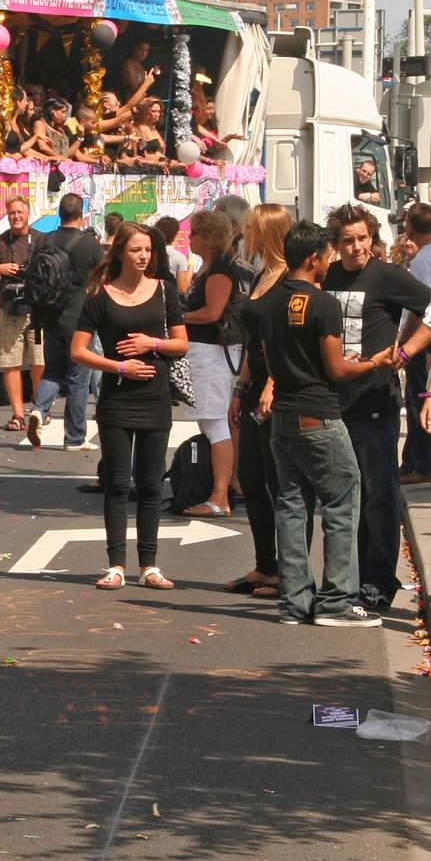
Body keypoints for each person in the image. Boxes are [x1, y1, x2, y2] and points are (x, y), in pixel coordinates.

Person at [262, 221, 394, 627]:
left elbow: (273, 357)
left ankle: (294, 601)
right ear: (312, 259)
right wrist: (374, 361)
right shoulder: (324, 304)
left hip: (283, 414)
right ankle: (337, 600)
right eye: (327, 255)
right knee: (342, 499)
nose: (331, 261)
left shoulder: (269, 301)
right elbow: (336, 369)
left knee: (291, 505)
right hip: (319, 413)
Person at [321, 203, 431, 610]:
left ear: (372, 238)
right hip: (333, 403)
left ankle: (378, 580)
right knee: (340, 497)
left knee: (378, 495)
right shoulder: (328, 276)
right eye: (348, 241)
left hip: (375, 402)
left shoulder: (387, 276)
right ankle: (343, 577)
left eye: (362, 239)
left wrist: (406, 353)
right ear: (335, 244)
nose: (356, 248)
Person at [73, 223, 189, 590]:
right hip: (117, 399)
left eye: (149, 250)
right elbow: (77, 351)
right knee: (118, 484)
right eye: (137, 250)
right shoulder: (100, 296)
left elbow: (182, 344)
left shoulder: (165, 291)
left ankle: (150, 565)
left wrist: (151, 343)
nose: (144, 256)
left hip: (155, 398)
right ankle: (116, 565)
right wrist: (119, 365)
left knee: (151, 484)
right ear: (120, 252)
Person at [229, 204, 295, 600]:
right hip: (254, 387)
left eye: (251, 228)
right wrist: (240, 389)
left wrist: (271, 382)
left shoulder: (288, 278)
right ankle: (265, 565)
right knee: (251, 477)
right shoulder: (260, 274)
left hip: (280, 390)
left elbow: (283, 341)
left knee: (279, 481)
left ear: (267, 232)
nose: (244, 234)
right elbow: (252, 342)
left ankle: (289, 571)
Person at [176, 211, 246, 517]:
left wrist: (176, 318)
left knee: (215, 422)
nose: (190, 239)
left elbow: (212, 312)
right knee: (218, 421)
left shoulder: (219, 269)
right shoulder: (211, 266)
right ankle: (231, 485)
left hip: (212, 352)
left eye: (194, 234)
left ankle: (220, 496)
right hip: (208, 352)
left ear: (209, 237)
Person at [27, 194, 106, 451]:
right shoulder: (90, 244)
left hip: (48, 316)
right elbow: (103, 279)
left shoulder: (44, 240)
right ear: (81, 214)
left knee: (52, 371)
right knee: (77, 380)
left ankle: (39, 409)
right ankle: (74, 438)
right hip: (79, 319)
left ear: (59, 213)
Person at [0, 197, 40, 431]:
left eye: (20, 212)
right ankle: (18, 414)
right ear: (7, 215)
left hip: (37, 310)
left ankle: (39, 407)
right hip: (9, 309)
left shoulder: (40, 240)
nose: (16, 216)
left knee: (40, 361)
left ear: (28, 213)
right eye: (12, 213)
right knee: (10, 363)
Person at [398, 203, 431, 484]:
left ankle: (425, 465)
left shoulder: (422, 261)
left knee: (420, 401)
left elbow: (423, 308)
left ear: (410, 227)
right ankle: (421, 462)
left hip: (425, 342)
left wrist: (405, 343)